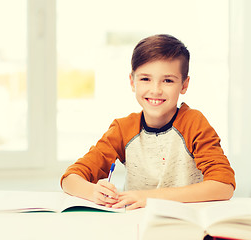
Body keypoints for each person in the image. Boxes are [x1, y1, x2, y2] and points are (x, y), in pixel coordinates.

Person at [61, 34, 235, 210]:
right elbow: (70, 179)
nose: (155, 90)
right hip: (133, 221)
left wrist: (149, 198)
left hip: (182, 219)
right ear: (132, 82)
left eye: (168, 80)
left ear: (184, 85)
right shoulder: (123, 129)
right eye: (145, 79)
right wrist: (93, 192)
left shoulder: (193, 123)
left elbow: (223, 186)